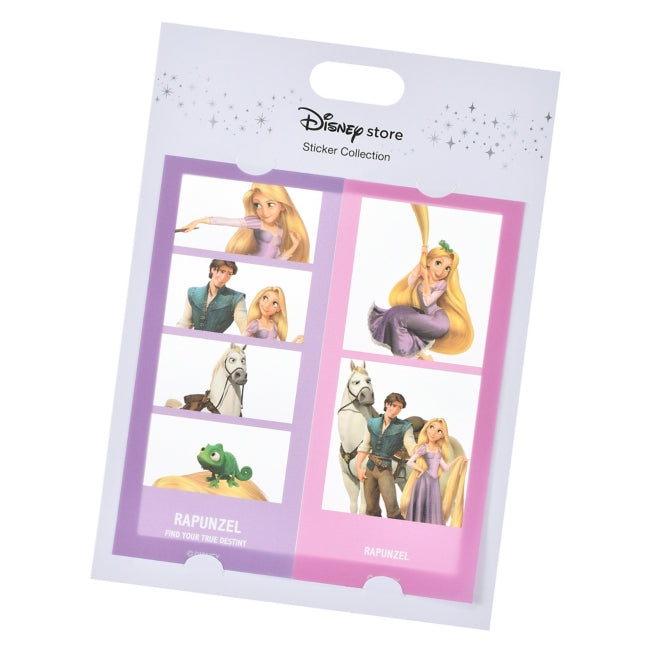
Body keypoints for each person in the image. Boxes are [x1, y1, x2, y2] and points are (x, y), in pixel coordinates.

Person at [368, 240, 473, 359]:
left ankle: (403, 353)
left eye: (447, 268)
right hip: (427, 315)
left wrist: (425, 279)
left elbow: (428, 301)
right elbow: (410, 282)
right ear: (429, 262)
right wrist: (422, 259)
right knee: (395, 312)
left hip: (439, 321)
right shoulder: (424, 274)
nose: (442, 271)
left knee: (400, 318)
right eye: (438, 263)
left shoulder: (441, 284)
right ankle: (417, 353)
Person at [177, 183, 310, 262]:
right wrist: (198, 221)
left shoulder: (281, 230)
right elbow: (227, 221)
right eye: (258, 205)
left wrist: (295, 245)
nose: (264, 211)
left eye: (270, 204)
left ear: (282, 206)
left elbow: (278, 260)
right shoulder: (256, 223)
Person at [355, 393, 416, 519]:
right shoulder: (372, 423)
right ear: (387, 404)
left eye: (399, 407)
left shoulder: (404, 427)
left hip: (385, 470)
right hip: (370, 469)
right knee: (371, 509)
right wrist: (358, 468)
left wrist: (418, 450)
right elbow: (365, 446)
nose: (396, 410)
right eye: (394, 405)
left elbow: (410, 445)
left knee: (392, 510)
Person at [177, 259, 247, 333]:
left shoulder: (237, 298)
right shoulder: (193, 293)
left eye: (229, 274)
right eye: (222, 271)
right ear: (213, 269)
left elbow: (244, 326)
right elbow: (185, 323)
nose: (224, 278)